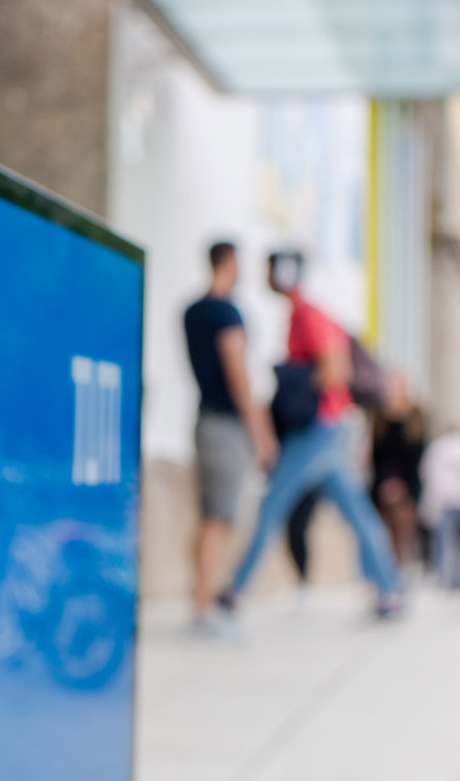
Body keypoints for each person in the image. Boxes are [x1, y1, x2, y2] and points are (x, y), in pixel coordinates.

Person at [220, 250, 402, 619]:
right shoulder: (300, 314)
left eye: (271, 268)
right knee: (357, 513)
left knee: (272, 505)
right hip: (330, 429)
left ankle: (235, 590)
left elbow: (335, 369)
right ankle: (391, 589)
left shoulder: (309, 314)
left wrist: (295, 389)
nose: (266, 276)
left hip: (319, 428)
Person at [183, 241, 276, 632]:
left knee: (209, 517)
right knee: (219, 519)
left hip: (204, 420)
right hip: (226, 426)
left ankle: (202, 602)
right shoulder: (225, 313)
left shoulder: (191, 312)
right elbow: (238, 375)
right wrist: (262, 432)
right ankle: (206, 610)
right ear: (229, 263)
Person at [371, 373, 425, 570]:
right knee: (379, 533)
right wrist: (386, 482)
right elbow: (376, 456)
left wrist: (400, 485)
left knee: (403, 530)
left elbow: (416, 454)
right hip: (381, 484)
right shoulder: (378, 417)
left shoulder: (415, 417)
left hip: (407, 484)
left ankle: (400, 573)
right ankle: (382, 575)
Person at [419, 424, 460, 590]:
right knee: (455, 541)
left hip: (450, 499)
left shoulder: (438, 447)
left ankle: (447, 577)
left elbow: (427, 472)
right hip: (456, 499)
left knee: (446, 541)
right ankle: (455, 578)